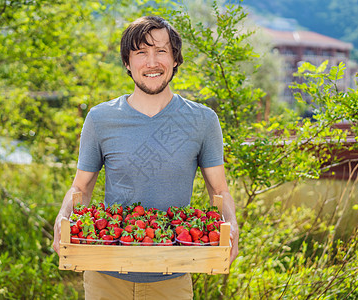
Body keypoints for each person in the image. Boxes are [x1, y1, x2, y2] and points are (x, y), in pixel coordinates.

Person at [53, 15, 239, 300]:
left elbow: (219, 190)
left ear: (175, 59)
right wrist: (64, 215)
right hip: (106, 274)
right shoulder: (100, 119)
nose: (152, 62)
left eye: (161, 51)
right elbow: (81, 187)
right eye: (141, 52)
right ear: (127, 62)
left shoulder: (203, 120)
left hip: (172, 277)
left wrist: (232, 225)